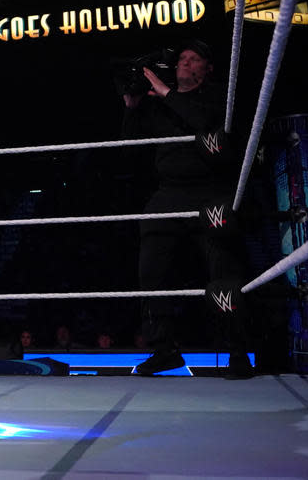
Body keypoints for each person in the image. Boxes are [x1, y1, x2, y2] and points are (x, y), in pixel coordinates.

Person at [122, 39, 252, 379]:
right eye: (182, 58)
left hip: (210, 192)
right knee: (150, 271)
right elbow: (129, 150)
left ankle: (238, 351)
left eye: (195, 59)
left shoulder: (218, 94)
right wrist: (133, 107)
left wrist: (166, 93)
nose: (185, 62)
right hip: (168, 194)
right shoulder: (160, 104)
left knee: (222, 269)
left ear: (207, 69)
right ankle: (163, 350)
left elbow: (203, 119)